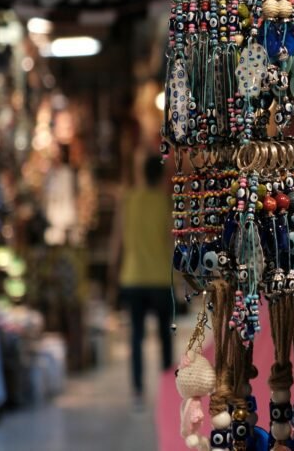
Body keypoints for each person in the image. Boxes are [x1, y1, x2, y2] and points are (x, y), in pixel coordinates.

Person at [112, 155, 173, 407]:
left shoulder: (128, 201)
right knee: (165, 336)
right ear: (160, 176)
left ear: (141, 173)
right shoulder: (165, 203)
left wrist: (112, 273)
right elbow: (171, 241)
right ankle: (168, 389)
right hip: (160, 278)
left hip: (133, 277)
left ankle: (138, 392)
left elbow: (117, 240)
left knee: (135, 337)